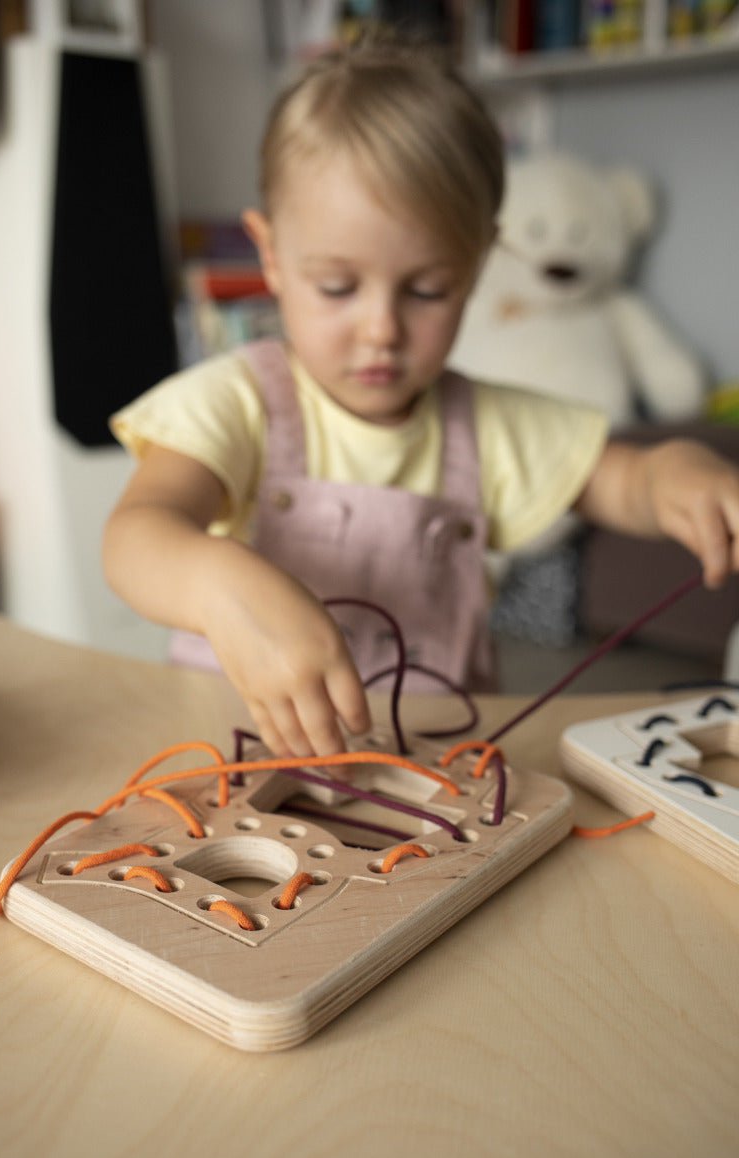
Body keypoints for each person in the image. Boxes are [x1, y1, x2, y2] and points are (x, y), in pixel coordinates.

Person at [103, 36, 739, 763]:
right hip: (237, 766)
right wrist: (218, 587)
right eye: (338, 287)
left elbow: (623, 479)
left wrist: (673, 472)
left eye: (428, 290)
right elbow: (135, 536)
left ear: (477, 264)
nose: (382, 329)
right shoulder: (235, 402)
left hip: (433, 777)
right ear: (271, 255)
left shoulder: (484, 424)